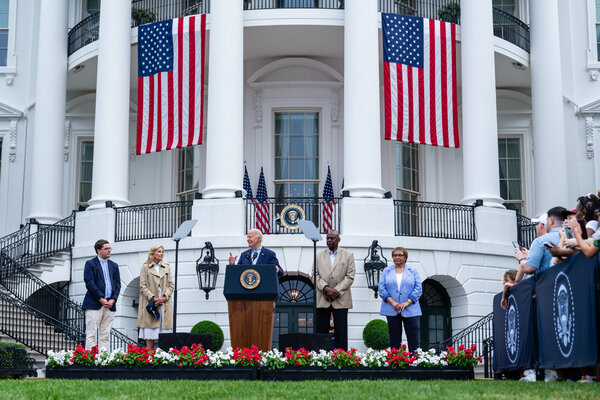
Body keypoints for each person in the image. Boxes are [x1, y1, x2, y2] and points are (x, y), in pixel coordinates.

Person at [314, 230, 355, 350]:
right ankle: (321, 357)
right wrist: (326, 289)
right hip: (323, 298)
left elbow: (350, 276)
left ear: (338, 240)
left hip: (341, 299)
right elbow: (314, 274)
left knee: (341, 332)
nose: (329, 240)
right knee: (321, 332)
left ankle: (341, 358)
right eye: (327, 238)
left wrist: (335, 291)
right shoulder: (319, 255)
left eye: (332, 238)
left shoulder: (348, 255)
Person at [378, 247, 422, 352]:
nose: (397, 257)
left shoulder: (413, 271)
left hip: (410, 309)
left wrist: (407, 302)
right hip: (392, 309)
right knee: (394, 337)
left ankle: (414, 360)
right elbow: (382, 288)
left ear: (405, 257)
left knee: (413, 336)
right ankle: (395, 360)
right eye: (395, 255)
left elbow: (418, 288)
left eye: (400, 255)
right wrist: (393, 302)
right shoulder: (386, 271)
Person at [82, 239, 121, 350]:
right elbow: (90, 283)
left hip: (110, 305)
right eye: (106, 249)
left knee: (105, 335)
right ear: (98, 250)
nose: (109, 251)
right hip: (94, 304)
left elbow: (118, 284)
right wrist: (101, 299)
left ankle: (103, 360)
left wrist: (113, 299)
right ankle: (90, 361)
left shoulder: (114, 265)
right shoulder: (90, 264)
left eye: (109, 248)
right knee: (91, 335)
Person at [514, 206, 566, 283]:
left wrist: (521, 259)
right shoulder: (574, 237)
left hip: (547, 285)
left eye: (547, 220)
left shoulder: (540, 241)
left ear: (551, 221)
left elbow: (529, 269)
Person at [136, 245, 174, 349]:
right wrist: (153, 298)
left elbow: (171, 285)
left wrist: (165, 297)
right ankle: (150, 357)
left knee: (164, 332)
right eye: (159, 251)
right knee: (150, 332)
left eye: (162, 252)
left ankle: (162, 357)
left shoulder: (167, 267)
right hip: (151, 303)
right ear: (153, 253)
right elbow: (142, 286)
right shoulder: (145, 267)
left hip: (164, 304)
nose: (161, 253)